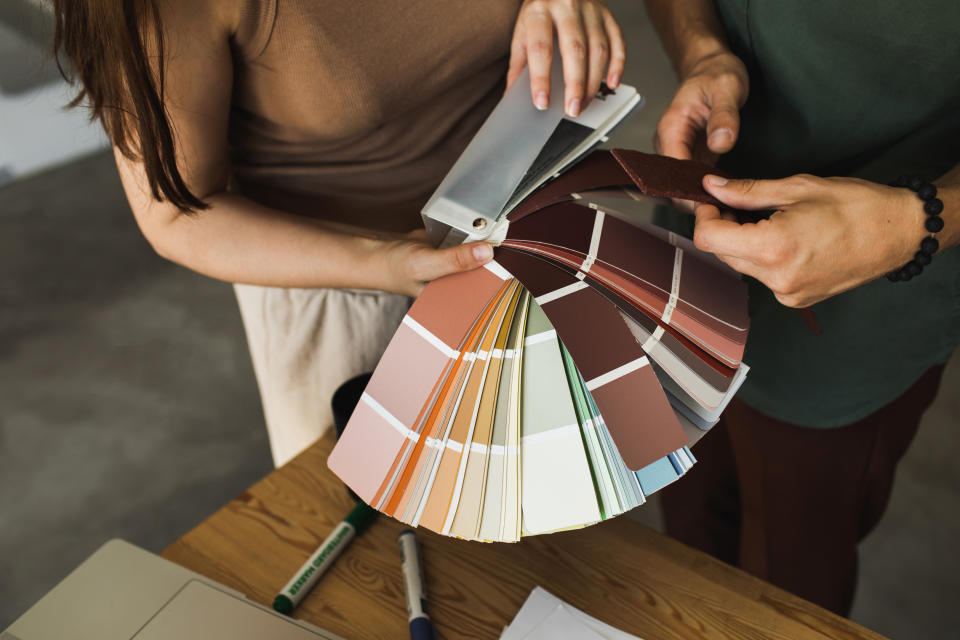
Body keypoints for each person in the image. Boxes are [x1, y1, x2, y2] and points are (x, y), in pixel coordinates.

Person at [51, 0, 625, 467]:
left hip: (538, 232)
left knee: (613, 514)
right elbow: (176, 213)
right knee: (397, 569)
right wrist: (389, 263)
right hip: (351, 293)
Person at [646, 0, 960, 615]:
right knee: (684, 534)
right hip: (689, 271)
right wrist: (702, 48)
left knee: (787, 592)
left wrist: (915, 222)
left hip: (875, 298)